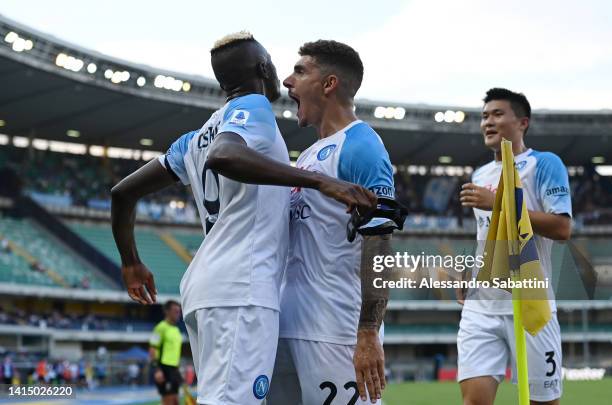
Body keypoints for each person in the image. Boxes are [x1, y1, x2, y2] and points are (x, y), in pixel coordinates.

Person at [111, 31, 375, 405]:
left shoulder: (192, 139)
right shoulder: (252, 107)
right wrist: (319, 181)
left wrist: (131, 262)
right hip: (242, 286)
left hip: (204, 287)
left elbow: (122, 193)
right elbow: (224, 155)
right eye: (277, 66)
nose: (284, 78)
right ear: (263, 68)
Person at [267, 40, 398, 405]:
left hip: (335, 333)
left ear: (329, 84)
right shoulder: (306, 157)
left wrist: (369, 331)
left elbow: (381, 241)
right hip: (286, 327)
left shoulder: (362, 145)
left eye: (301, 71)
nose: (288, 81)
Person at [457, 88, 571, 405]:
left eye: (497, 114)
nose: (488, 122)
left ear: (522, 122)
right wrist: (470, 270)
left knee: (543, 403)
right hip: (481, 307)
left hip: (530, 303)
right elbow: (487, 236)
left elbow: (562, 228)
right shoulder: (480, 174)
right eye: (484, 116)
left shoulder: (544, 164)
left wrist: (500, 202)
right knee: (474, 402)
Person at [149, 300, 183, 405]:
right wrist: (157, 370)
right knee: (168, 401)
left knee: (176, 401)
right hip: (164, 368)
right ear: (167, 312)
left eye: (179, 311)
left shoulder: (177, 330)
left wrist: (178, 370)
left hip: (174, 369)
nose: (178, 314)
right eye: (175, 311)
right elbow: (152, 349)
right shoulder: (160, 328)